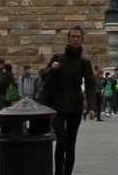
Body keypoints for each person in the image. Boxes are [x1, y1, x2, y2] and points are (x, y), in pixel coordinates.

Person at [40, 27, 100, 175]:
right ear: (68, 38)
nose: (75, 39)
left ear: (82, 40)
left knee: (71, 144)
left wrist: (92, 107)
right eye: (73, 36)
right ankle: (58, 172)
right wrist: (52, 69)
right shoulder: (58, 57)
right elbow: (43, 75)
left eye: (78, 37)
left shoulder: (85, 62)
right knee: (61, 141)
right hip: (57, 105)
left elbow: (90, 85)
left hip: (74, 106)